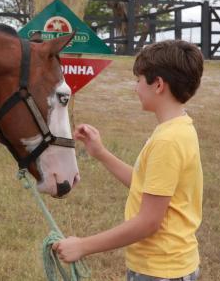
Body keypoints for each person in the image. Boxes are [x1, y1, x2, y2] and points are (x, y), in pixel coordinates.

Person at [52, 40, 204, 281]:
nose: (136, 88)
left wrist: (83, 246)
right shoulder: (179, 128)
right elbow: (147, 186)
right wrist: (100, 152)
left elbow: (148, 222)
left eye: (139, 80)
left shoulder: (168, 141)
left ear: (158, 85)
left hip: (160, 272)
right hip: (170, 267)